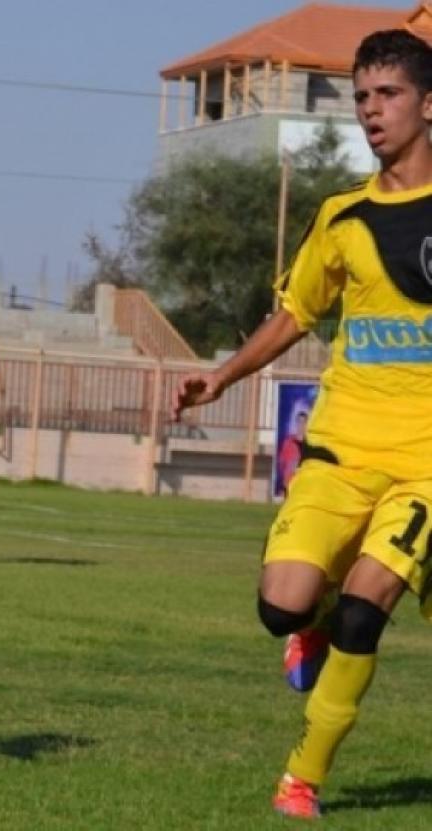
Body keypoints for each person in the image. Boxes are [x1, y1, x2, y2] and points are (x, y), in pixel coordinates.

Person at [173, 29, 432, 820]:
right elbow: (294, 314)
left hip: (425, 467)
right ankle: (306, 624)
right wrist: (222, 373)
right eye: (362, 97)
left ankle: (301, 777)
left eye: (388, 95)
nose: (371, 111)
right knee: (280, 605)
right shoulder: (342, 215)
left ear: (428, 105)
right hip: (340, 450)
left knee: (365, 608)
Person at [276, 409, 309, 497]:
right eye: (299, 422)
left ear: (307, 424)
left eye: (304, 422)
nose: (301, 425)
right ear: (296, 423)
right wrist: (290, 467)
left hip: (304, 483)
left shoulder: (310, 444)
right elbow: (281, 463)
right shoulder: (288, 442)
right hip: (290, 482)